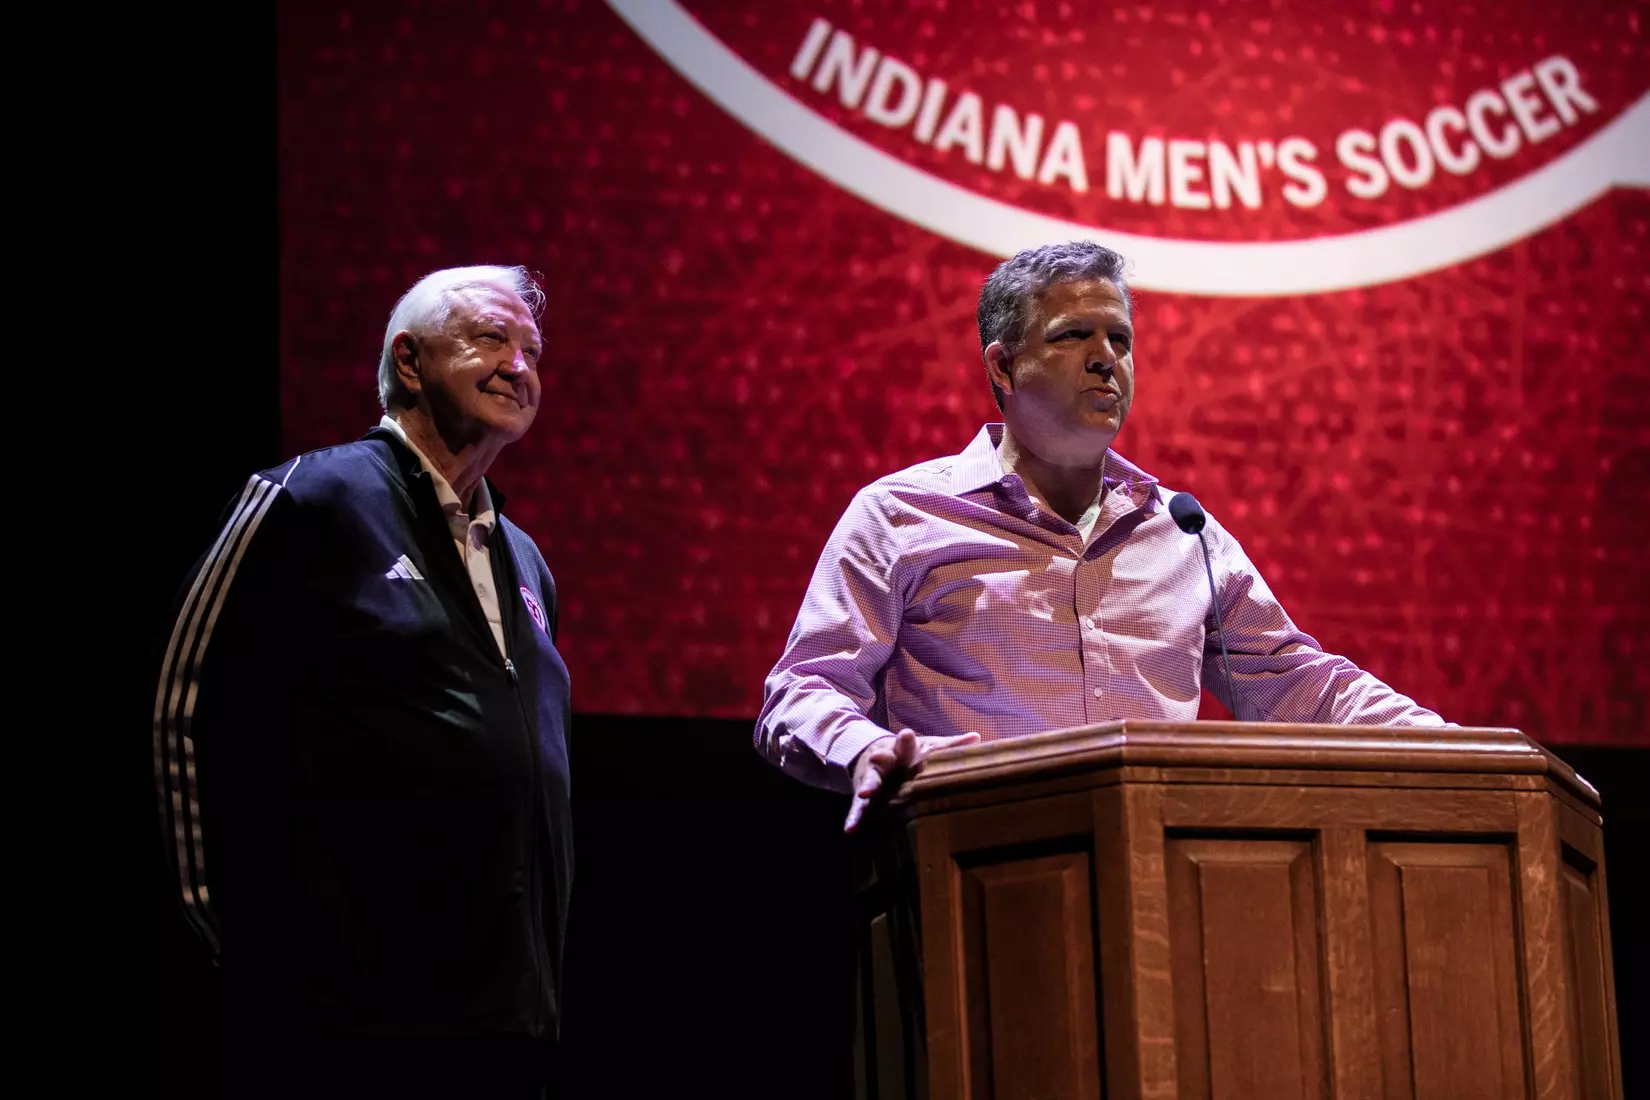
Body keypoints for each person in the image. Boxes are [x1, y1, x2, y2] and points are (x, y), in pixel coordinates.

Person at [756, 241, 1446, 831]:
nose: (1105, 359)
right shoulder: (901, 516)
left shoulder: (1180, 533)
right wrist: (864, 751)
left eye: (1119, 340)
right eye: (1072, 336)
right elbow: (802, 691)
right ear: (1001, 367)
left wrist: (1451, 749)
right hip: (973, 871)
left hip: (1166, 884)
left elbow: (1302, 684)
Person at [151, 265, 570, 1098]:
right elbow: (182, 709)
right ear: (409, 363)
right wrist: (215, 921)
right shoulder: (309, 499)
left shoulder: (523, 558)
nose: (519, 365)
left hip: (501, 1015)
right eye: (491, 337)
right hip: (345, 1014)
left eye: (532, 349)